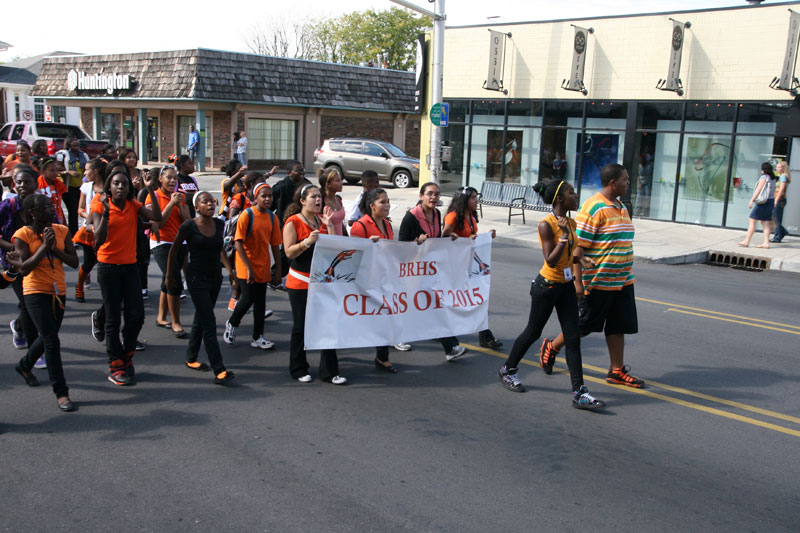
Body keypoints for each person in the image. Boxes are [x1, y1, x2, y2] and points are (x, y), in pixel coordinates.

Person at [497, 179, 605, 409]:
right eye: (571, 193)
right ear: (559, 199)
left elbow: (569, 256)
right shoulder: (546, 225)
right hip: (546, 287)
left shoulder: (572, 223)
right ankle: (508, 370)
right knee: (533, 331)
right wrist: (564, 236)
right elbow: (551, 259)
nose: (576, 196)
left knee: (573, 338)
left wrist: (582, 260)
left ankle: (579, 392)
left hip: (565, 286)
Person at [541, 163, 644, 388]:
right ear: (612, 182)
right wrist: (578, 283)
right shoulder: (593, 207)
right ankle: (553, 346)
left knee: (618, 325)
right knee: (583, 325)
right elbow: (578, 248)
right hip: (598, 281)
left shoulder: (622, 207)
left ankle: (616, 370)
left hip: (623, 280)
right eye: (625, 179)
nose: (628, 183)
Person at [92, 167, 162, 386]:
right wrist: (105, 212)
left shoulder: (134, 206)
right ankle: (115, 364)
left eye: (124, 183)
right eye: (116, 183)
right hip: (108, 268)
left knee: (136, 316)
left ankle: (127, 355)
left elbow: (158, 217)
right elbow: (98, 239)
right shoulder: (99, 206)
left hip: (130, 266)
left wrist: (151, 191)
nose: (121, 186)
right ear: (109, 187)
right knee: (113, 319)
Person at [12, 193, 79, 412]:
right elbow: (24, 268)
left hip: (58, 291)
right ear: (33, 212)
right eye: (47, 207)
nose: (52, 209)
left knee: (47, 336)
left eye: (52, 205)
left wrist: (55, 248)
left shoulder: (61, 230)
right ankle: (61, 393)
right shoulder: (22, 234)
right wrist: (43, 247)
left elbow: (74, 262)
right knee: (51, 341)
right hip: (35, 291)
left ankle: (24, 365)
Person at [167, 191, 237, 384]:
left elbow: (220, 249)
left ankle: (191, 357)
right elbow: (174, 251)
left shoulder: (220, 224)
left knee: (201, 317)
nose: (210, 204)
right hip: (196, 278)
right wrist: (169, 276)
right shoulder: (189, 226)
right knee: (209, 321)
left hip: (215, 277)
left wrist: (230, 271)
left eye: (212, 201)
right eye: (205, 202)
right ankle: (219, 369)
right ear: (196, 207)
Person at [398, 182, 469, 361]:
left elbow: (436, 240)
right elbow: (401, 247)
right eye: (429, 194)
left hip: (430, 269)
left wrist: (449, 237)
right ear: (421, 196)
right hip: (413, 270)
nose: (433, 197)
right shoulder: (411, 217)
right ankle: (397, 336)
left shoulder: (437, 214)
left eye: (436, 194)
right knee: (410, 305)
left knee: (436, 305)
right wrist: (416, 242)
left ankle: (450, 347)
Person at [283, 184, 346, 385]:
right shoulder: (293, 222)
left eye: (319, 196)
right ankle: (298, 368)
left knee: (328, 324)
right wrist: (306, 242)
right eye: (313, 197)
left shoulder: (321, 220)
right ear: (302, 201)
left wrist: (328, 225)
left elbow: (335, 249)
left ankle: (329, 371)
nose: (318, 200)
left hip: (322, 282)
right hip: (300, 282)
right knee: (301, 326)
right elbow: (289, 252)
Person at [223, 183, 282, 350]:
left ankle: (258, 336)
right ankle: (232, 323)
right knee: (248, 298)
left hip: (262, 265)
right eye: (264, 196)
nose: (268, 199)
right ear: (255, 198)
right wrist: (248, 268)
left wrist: (278, 269)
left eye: (270, 195)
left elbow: (275, 245)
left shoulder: (272, 218)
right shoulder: (247, 215)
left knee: (260, 302)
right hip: (245, 264)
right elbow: (238, 243)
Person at [442, 186, 503, 349]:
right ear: (464, 200)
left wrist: (487, 235)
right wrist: (455, 237)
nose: (476, 200)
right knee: (456, 301)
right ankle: (445, 335)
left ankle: (485, 335)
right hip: (455, 266)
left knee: (478, 297)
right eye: (473, 198)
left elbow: (471, 238)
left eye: (477, 197)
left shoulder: (471, 216)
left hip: (470, 265)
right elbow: (443, 237)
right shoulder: (453, 216)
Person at [349, 188, 400, 372]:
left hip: (383, 278)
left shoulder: (387, 225)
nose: (387, 205)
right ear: (372, 206)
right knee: (358, 320)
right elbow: (352, 256)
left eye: (388, 201)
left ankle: (382, 357)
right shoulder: (360, 226)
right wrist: (367, 245)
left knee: (384, 317)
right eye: (383, 202)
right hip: (365, 281)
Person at [147, 165, 190, 338]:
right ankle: (176, 322)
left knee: (168, 279)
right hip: (161, 242)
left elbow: (188, 221)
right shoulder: (154, 196)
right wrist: (170, 204)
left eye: (175, 178)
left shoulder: (180, 196)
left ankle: (161, 317)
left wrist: (179, 205)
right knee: (174, 280)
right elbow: (158, 223)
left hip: (179, 241)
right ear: (160, 179)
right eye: (169, 177)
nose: (172, 181)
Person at [1, 165, 40, 352]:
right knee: (26, 303)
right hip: (13, 263)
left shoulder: (42, 205)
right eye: (19, 182)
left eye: (27, 182)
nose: (22, 185)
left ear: (35, 184)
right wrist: (9, 247)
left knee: (34, 304)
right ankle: (35, 351)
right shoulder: (7, 206)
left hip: (37, 261)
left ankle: (18, 326)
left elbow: (56, 228)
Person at [74, 158, 107, 303]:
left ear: (95, 171)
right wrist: (91, 217)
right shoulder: (86, 187)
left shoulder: (109, 187)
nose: (85, 172)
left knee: (104, 262)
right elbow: (80, 209)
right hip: (88, 229)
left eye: (87, 170)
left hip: (105, 228)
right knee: (89, 262)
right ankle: (79, 285)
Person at [738, 162, 777, 249]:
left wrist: (752, 200)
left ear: (763, 170)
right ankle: (766, 243)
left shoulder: (764, 177)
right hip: (770, 201)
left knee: (752, 220)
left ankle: (747, 241)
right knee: (765, 222)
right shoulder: (773, 178)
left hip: (763, 202)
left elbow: (759, 189)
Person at [55, 136, 89, 236]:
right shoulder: (63, 155)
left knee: (80, 210)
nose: (76, 143)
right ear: (68, 144)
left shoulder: (84, 155)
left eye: (77, 141)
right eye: (73, 141)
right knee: (73, 210)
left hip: (80, 187)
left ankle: (78, 232)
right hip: (68, 188)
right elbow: (56, 169)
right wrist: (68, 172)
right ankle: (73, 234)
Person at [272, 160, 311, 226]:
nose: (301, 173)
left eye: (302, 170)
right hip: (284, 224)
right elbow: (270, 207)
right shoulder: (280, 187)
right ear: (289, 172)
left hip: (303, 223)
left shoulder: (308, 185)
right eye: (298, 171)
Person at [36, 158, 67, 226]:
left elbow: (59, 205)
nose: (56, 173)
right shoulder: (38, 185)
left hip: (58, 219)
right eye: (52, 170)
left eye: (57, 170)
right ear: (43, 171)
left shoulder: (57, 183)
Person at [318, 167, 347, 236]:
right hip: (328, 243)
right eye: (337, 181)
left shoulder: (338, 200)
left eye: (341, 180)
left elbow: (340, 223)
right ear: (328, 184)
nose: (341, 183)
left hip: (340, 242)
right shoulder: (321, 203)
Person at [772, 161, 791, 243]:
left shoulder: (783, 176)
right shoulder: (781, 176)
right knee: (775, 218)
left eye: (779, 167)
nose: (776, 168)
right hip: (779, 199)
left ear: (783, 168)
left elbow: (782, 189)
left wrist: (776, 199)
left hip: (779, 199)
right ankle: (782, 232)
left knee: (776, 219)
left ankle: (778, 237)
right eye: (777, 166)